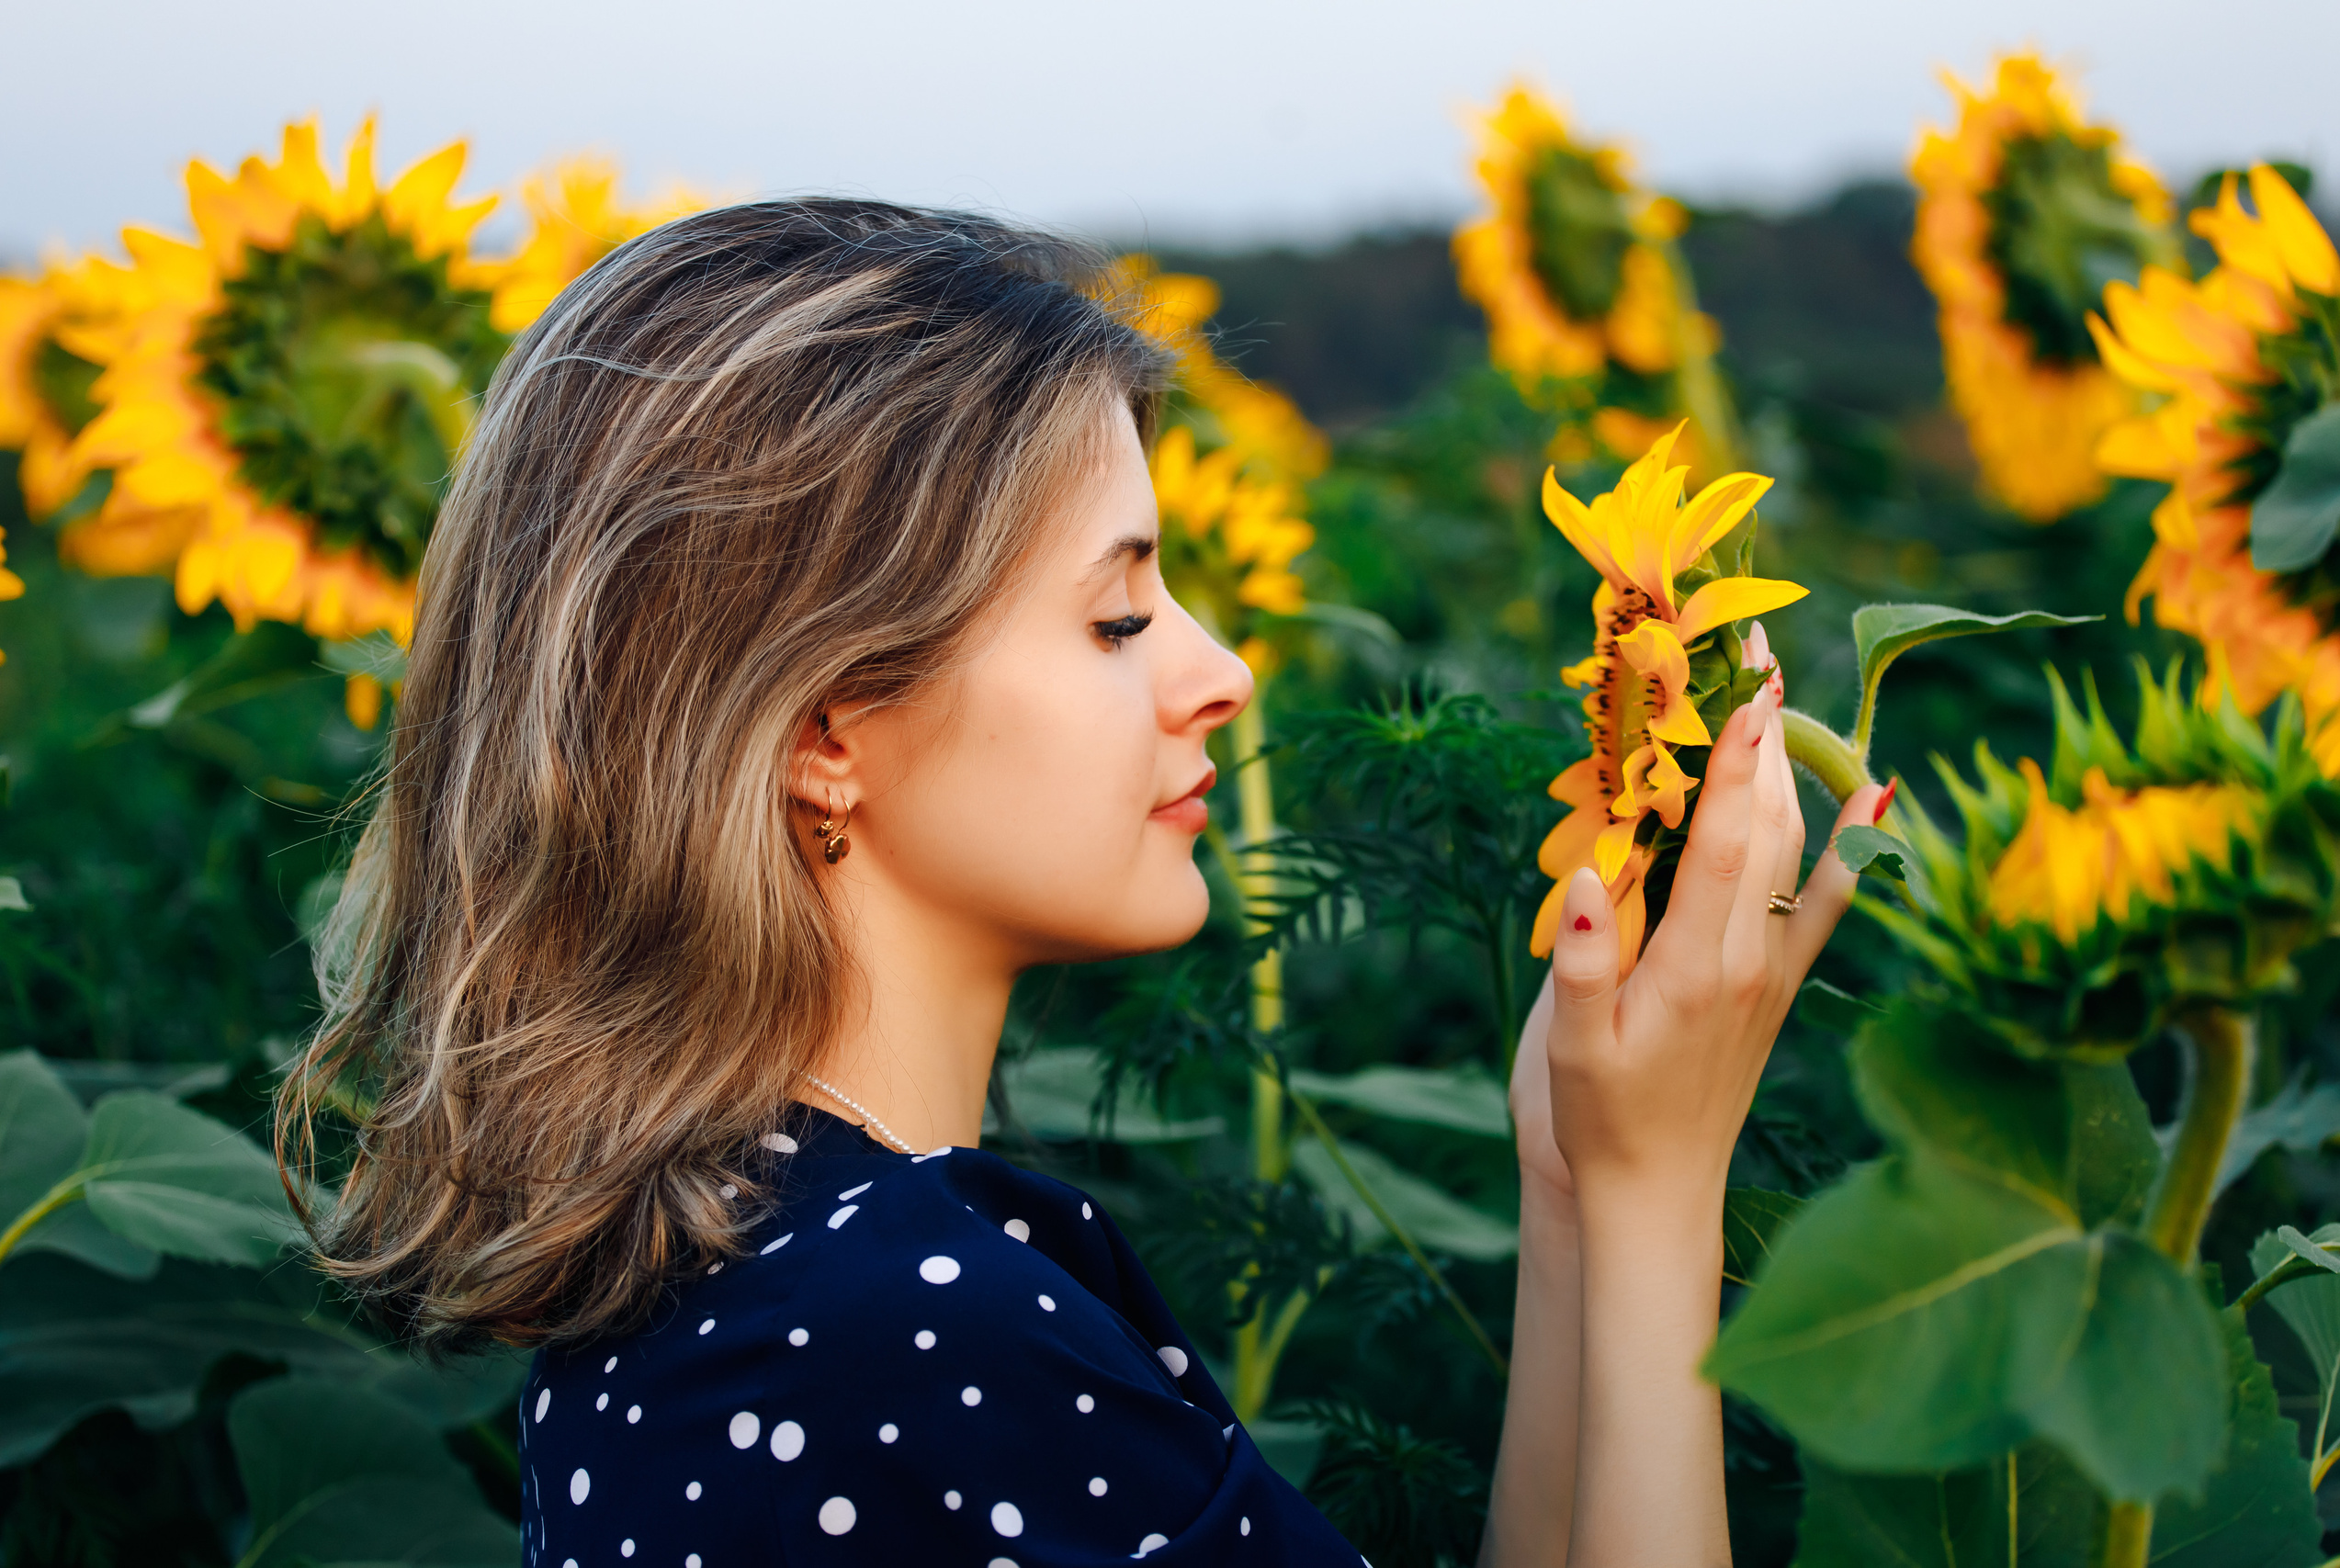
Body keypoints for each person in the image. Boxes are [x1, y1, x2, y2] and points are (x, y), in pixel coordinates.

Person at [278, 199, 1885, 1567]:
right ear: (827, 728)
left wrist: (1574, 1182)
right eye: (1117, 618)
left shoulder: (739, 1274)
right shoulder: (910, 1341)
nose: (1224, 670)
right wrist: (1665, 1201)